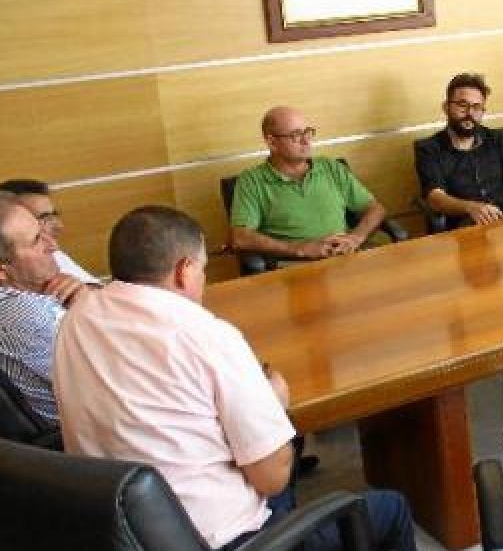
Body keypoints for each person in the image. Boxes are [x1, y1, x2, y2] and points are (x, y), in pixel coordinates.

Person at [53, 206, 415, 551]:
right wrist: (273, 404)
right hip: (224, 538)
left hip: (125, 530)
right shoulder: (204, 335)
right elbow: (270, 479)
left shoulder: (76, 318)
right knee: (390, 508)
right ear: (184, 270)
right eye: (203, 270)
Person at [229, 106, 389, 260]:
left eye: (308, 132)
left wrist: (356, 237)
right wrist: (299, 249)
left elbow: (375, 209)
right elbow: (240, 237)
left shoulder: (330, 167)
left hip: (343, 258)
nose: (306, 140)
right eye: (296, 135)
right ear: (272, 142)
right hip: (293, 268)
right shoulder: (251, 181)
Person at [0, 191, 88, 425]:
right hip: (90, 442)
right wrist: (87, 307)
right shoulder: (27, 315)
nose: (53, 246)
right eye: (37, 240)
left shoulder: (6, 300)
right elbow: (116, 380)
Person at [414, 73, 503, 229]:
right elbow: (435, 198)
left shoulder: (499, 140)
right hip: (464, 231)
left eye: (477, 107)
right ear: (446, 107)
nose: (470, 113)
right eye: (462, 106)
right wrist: (470, 208)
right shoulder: (429, 149)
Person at [0, 178, 98, 283]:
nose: (59, 226)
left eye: (54, 215)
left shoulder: (50, 252)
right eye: (44, 218)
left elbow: (96, 291)